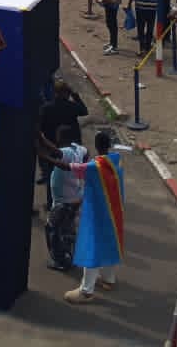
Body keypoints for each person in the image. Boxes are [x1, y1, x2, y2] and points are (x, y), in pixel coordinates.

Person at [63, 131, 125, 304]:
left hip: (97, 214)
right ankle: (108, 279)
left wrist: (45, 154)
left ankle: (86, 291)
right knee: (109, 244)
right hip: (114, 213)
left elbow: (69, 167)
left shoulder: (94, 167)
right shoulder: (116, 161)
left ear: (96, 145)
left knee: (91, 250)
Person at [44, 124, 87, 272]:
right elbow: (86, 155)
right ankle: (70, 256)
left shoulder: (64, 152)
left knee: (52, 228)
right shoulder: (80, 149)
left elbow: (53, 151)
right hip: (75, 196)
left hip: (64, 201)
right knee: (67, 228)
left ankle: (61, 261)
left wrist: (39, 138)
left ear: (60, 137)